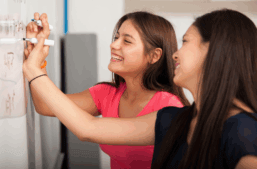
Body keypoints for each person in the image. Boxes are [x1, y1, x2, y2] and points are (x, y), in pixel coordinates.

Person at [23, 8, 257, 169]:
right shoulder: (173, 120)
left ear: (214, 54)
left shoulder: (243, 132)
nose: (175, 53)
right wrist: (36, 66)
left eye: (185, 42)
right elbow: (86, 127)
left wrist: (35, 69)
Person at [24, 11, 189, 169]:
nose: (113, 44)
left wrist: (34, 70)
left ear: (154, 56)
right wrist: (37, 61)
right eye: (117, 37)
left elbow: (87, 129)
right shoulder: (106, 94)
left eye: (127, 41)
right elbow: (45, 106)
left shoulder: (170, 108)